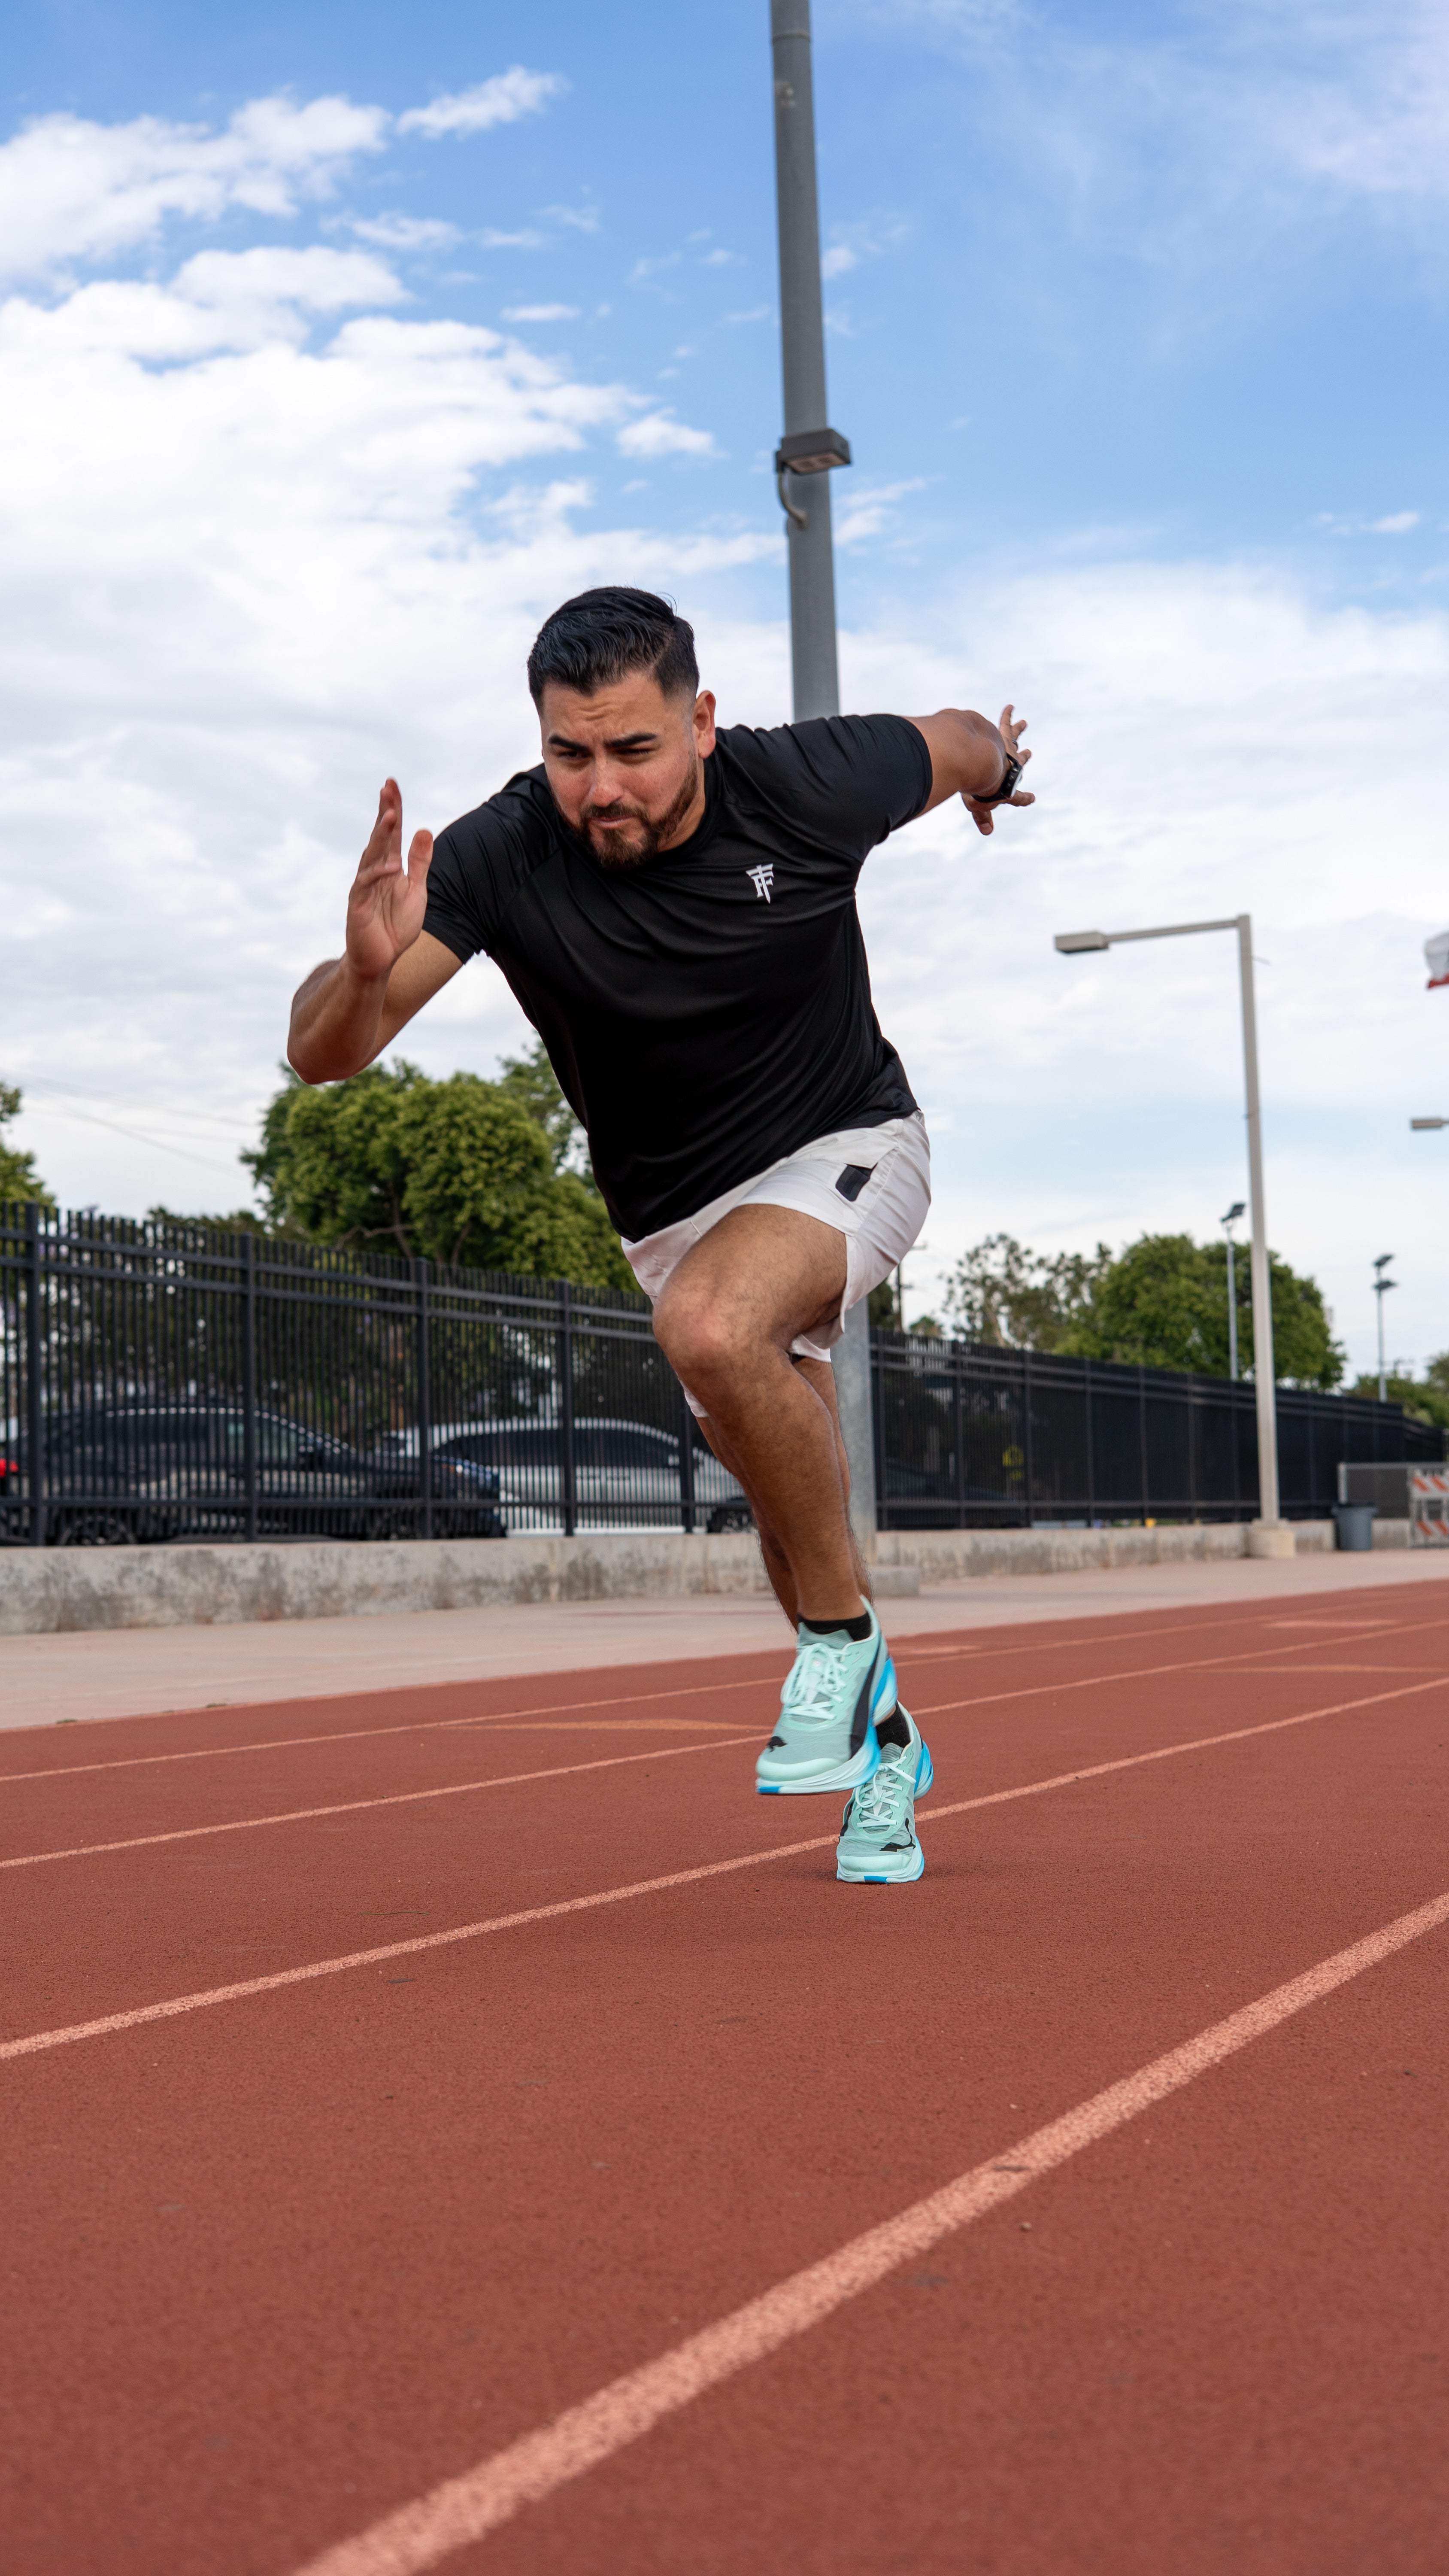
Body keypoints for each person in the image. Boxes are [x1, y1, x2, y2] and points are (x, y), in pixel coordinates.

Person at [288, 587, 1034, 1885]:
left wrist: (998, 773)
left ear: (701, 721)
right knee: (779, 1486)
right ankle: (885, 1751)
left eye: (633, 750)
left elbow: (963, 734)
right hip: (677, 1216)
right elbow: (322, 1062)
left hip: (849, 1142)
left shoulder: (810, 781)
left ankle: (845, 1656)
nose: (601, 788)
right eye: (570, 754)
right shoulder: (504, 853)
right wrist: (359, 977)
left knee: (709, 1329)